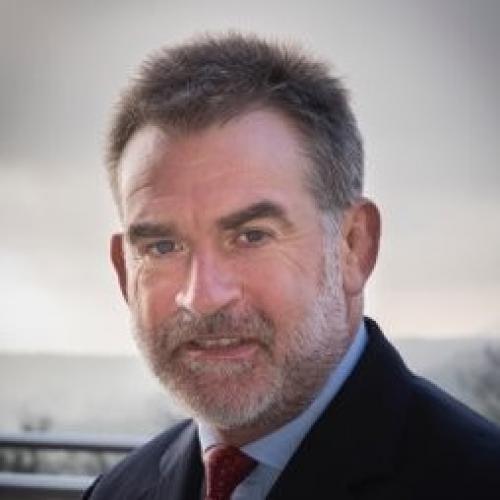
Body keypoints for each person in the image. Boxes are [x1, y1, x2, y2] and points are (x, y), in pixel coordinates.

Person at [84, 33, 500, 500]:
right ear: (124, 273)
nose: (202, 298)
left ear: (353, 246)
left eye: (251, 236)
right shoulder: (115, 493)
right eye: (163, 246)